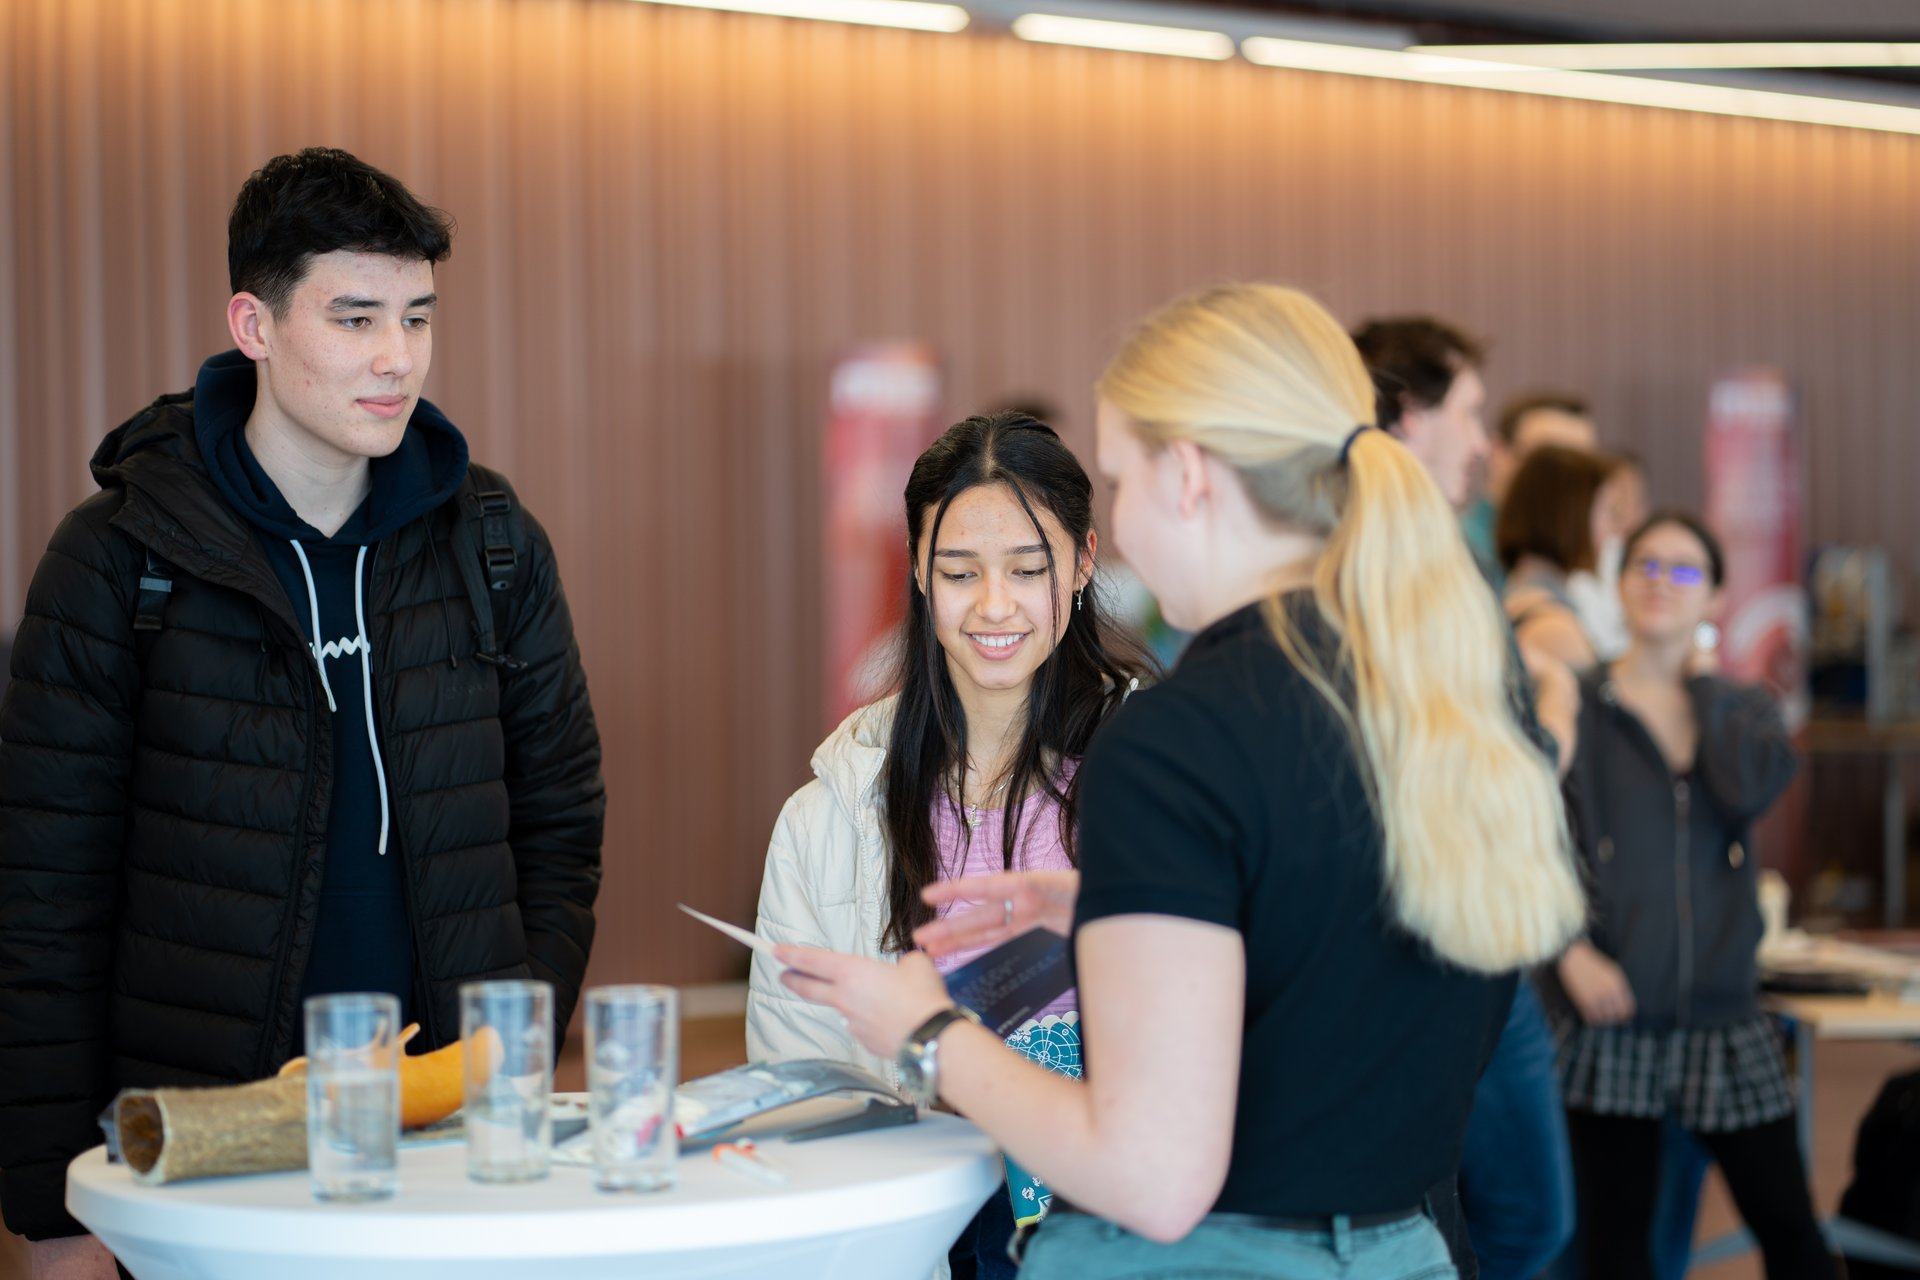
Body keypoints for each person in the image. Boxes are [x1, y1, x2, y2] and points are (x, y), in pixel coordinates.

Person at [771, 283, 1587, 1278]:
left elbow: (1154, 1173)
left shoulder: (1177, 738)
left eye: (1117, 479)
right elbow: (1349, 969)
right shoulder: (1442, 686)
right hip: (1403, 1246)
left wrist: (929, 1030)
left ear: (1189, 475)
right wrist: (1136, 908)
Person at [0, 148, 605, 1276]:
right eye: (356, 317)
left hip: (450, 1140)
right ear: (256, 323)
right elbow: (42, 892)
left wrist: (509, 1045)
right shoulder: (121, 559)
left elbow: (560, 823)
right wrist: (51, 1206)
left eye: (417, 318)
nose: (396, 359)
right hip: (208, 1146)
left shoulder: (493, 541)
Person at [746, 410, 1155, 1277]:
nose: (995, 606)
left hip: (1114, 1226)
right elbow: (799, 1081)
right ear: (922, 573)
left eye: (1027, 569)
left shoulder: (1160, 776)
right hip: (918, 1228)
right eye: (962, 572)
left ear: (1083, 565)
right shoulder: (832, 814)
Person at [1548, 512, 1835, 1279]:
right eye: (1645, 564)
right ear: (1619, 581)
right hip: (1610, 1011)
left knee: (1792, 1232)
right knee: (1615, 1250)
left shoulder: (1743, 709)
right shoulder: (1576, 702)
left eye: (1683, 571)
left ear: (1714, 596)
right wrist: (1567, 952)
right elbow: (1524, 841)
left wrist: (1701, 683)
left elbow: (1747, 789)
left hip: (1723, 1013)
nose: (1660, 583)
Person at [1356, 317, 1580, 1280]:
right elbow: (1513, 760)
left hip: (1462, 936)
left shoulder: (1423, 559)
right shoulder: (1401, 567)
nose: (1487, 445)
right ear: (1410, 414)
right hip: (1443, 940)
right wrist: (1562, 697)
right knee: (1510, 1219)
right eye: (1474, 413)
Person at [1498, 444, 1630, 674]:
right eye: (1608, 513)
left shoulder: (1527, 595)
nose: (1613, 531)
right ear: (1570, 516)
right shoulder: (1553, 627)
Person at [1462, 391, 1600, 579]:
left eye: (1582, 467)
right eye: (1548, 464)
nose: (1566, 483)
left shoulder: (1591, 555)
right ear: (1498, 453)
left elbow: (1652, 570)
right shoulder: (1457, 550)